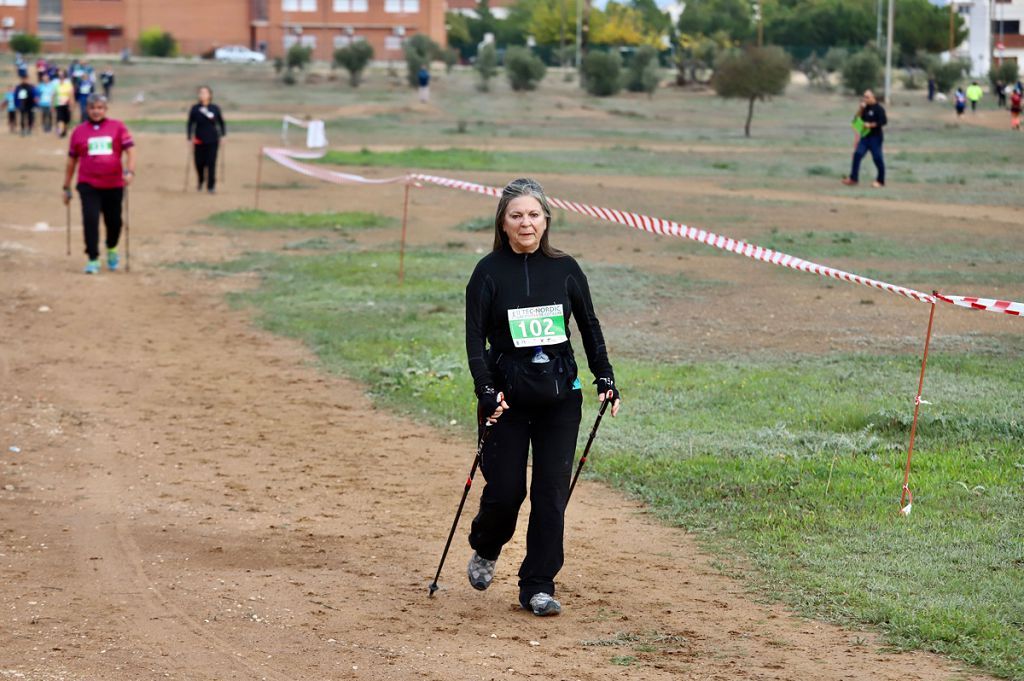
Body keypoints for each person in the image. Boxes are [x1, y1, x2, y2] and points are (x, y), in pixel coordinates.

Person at [464, 178, 622, 617]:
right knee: (507, 492)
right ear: (503, 222)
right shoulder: (488, 272)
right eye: (516, 215)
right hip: (506, 401)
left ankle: (538, 585)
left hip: (560, 398)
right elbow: (475, 339)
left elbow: (589, 327)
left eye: (533, 214)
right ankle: (486, 545)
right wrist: (486, 389)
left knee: (551, 494)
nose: (526, 223)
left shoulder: (566, 268)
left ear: (546, 220)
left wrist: (604, 376)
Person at [62, 94, 136, 275]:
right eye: (93, 108)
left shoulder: (117, 127)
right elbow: (72, 161)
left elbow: (131, 151)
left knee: (114, 222)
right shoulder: (79, 131)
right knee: (90, 220)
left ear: (105, 109)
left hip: (113, 183)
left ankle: (112, 248)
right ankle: (93, 258)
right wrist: (66, 186)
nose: (96, 111)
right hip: (88, 184)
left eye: (100, 108)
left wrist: (130, 171)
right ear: (87, 110)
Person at [842, 90, 887, 188]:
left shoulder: (879, 109)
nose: (865, 99)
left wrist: (870, 125)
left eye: (867, 97)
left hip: (876, 137)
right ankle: (853, 179)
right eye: (864, 97)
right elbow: (856, 119)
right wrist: (860, 109)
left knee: (877, 158)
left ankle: (880, 181)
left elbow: (883, 122)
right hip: (865, 137)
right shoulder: (865, 108)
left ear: (872, 97)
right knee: (857, 154)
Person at [186, 85, 226, 194]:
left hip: (213, 140)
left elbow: (221, 123)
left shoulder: (215, 108)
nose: (202, 94)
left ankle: (211, 186)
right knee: (199, 163)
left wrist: (223, 136)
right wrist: (189, 137)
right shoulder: (195, 109)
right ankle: (201, 180)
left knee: (211, 163)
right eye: (201, 93)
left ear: (210, 95)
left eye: (205, 92)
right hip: (199, 140)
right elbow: (190, 123)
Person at [55, 69, 74, 137]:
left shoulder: (68, 83)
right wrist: (52, 104)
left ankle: (64, 130)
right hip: (59, 104)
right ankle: (60, 132)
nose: (60, 75)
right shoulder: (56, 83)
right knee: (60, 118)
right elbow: (54, 94)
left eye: (62, 74)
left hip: (67, 104)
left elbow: (71, 94)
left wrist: (72, 105)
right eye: (59, 74)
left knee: (66, 119)